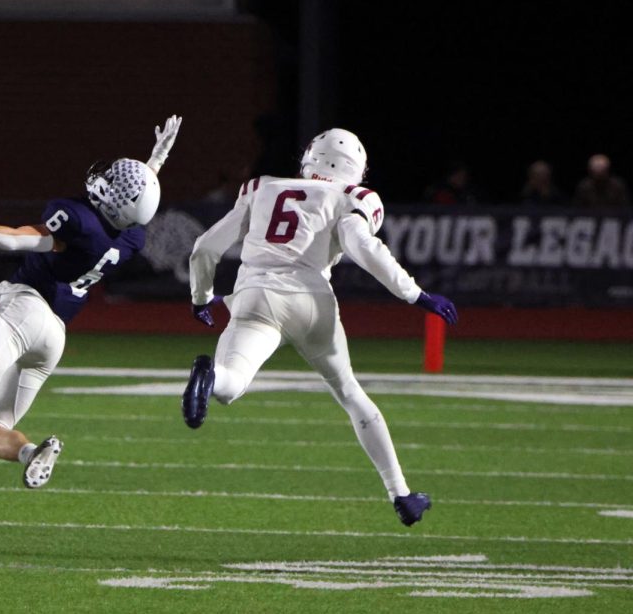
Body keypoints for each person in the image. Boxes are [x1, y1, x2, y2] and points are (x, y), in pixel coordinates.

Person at [183, 128, 458, 527]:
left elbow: (205, 247)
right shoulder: (354, 197)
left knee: (231, 384)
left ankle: (211, 376)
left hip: (255, 294)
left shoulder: (262, 187)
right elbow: (363, 247)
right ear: (356, 168)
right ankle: (401, 494)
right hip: (313, 301)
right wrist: (415, 294)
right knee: (349, 391)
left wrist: (201, 297)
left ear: (310, 158)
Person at [0, 116, 182, 489]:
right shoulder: (132, 237)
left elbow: (21, 239)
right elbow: (135, 200)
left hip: (28, 306)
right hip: (54, 337)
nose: (107, 180)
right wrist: (156, 159)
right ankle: (31, 452)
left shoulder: (78, 221)